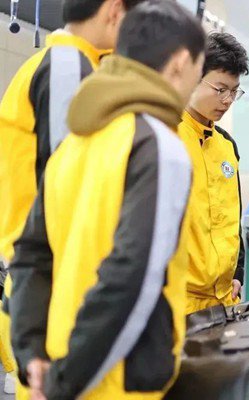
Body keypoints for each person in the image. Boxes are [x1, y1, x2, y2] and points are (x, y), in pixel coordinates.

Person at [9, 1, 205, 399]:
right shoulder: (159, 148)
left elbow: (31, 254)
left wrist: (32, 356)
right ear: (181, 63)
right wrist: (67, 381)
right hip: (114, 380)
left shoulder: (76, 143)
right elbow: (132, 275)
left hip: (53, 366)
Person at [0, 0, 145, 393]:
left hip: (49, 280)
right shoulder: (68, 69)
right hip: (53, 285)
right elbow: (70, 194)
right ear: (114, 10)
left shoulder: (76, 66)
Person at [178, 32, 249, 314]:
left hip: (224, 301)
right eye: (220, 89)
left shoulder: (226, 145)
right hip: (178, 302)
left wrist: (238, 272)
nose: (228, 100)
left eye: (234, 91)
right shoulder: (165, 137)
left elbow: (233, 218)